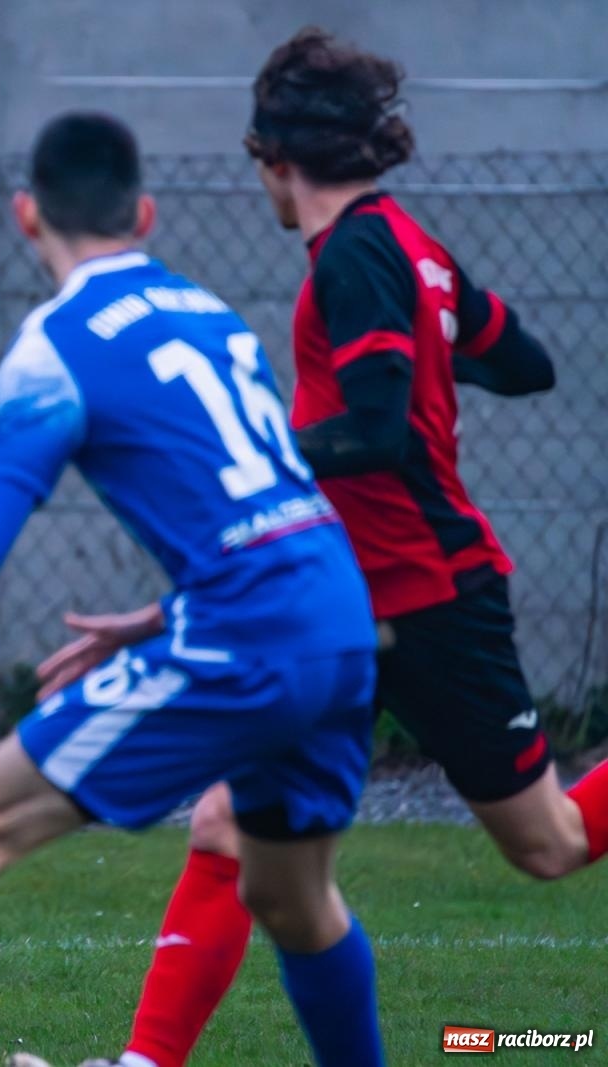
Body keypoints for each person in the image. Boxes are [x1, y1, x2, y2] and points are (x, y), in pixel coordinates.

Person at [68, 27, 608, 1067]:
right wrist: (437, 343)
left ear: (275, 156)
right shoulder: (410, 247)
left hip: (431, 594)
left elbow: (376, 430)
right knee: (231, 832)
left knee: (551, 844)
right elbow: (525, 362)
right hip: (342, 603)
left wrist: (253, 449)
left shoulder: (358, 254)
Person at [0, 111, 385, 1067]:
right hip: (341, 624)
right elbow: (271, 507)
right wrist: (166, 616)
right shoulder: (214, 315)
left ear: (26, 215)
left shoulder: (56, 346)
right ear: (146, 215)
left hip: (248, 636)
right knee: (295, 899)